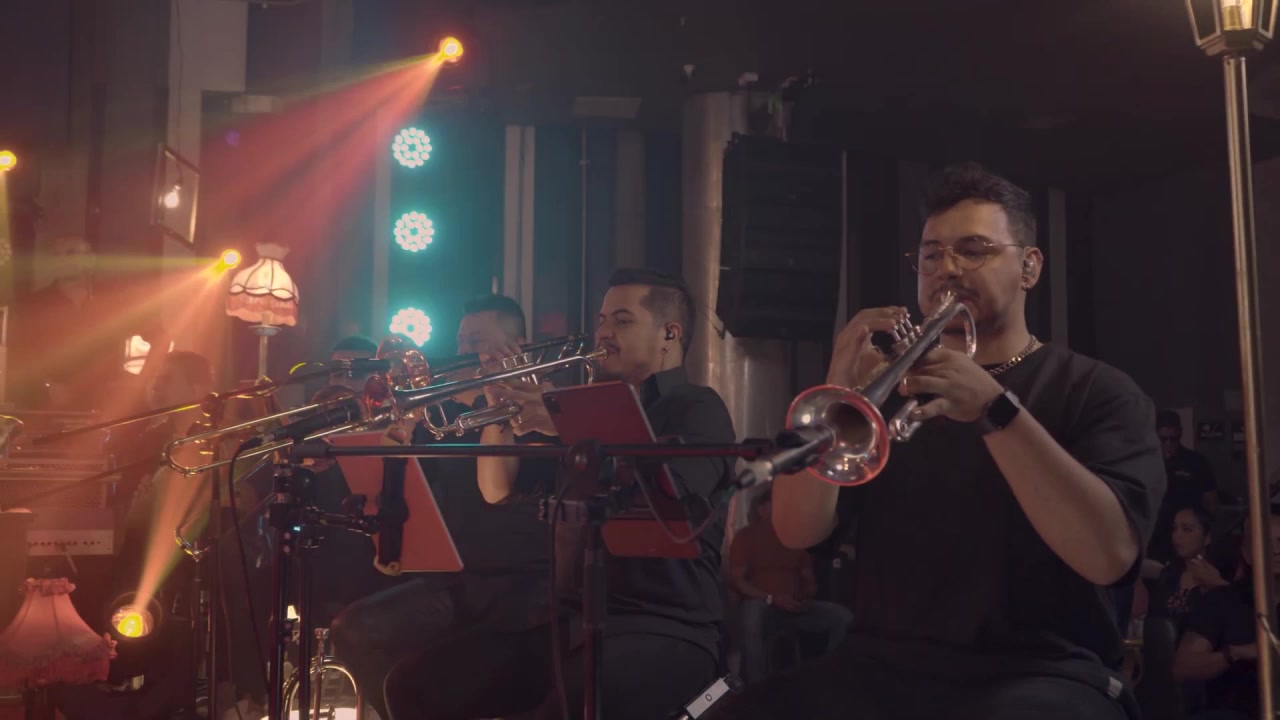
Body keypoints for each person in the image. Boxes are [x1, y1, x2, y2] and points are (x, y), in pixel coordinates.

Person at [705, 163, 1165, 720]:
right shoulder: (889, 395)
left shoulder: (1097, 391)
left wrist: (996, 410)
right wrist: (837, 388)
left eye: (973, 250)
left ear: (1030, 267)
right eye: (931, 255)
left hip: (1043, 671)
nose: (947, 268)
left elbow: (1109, 555)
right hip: (881, 664)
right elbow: (796, 530)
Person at [383, 268, 736, 720]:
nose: (603, 332)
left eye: (622, 321)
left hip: (663, 626)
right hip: (570, 622)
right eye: (602, 320)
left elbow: (671, 502)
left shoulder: (697, 407)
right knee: (413, 686)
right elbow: (497, 489)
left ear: (669, 334)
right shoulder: (585, 408)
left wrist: (570, 425)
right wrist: (497, 408)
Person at [329, 295, 553, 720]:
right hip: (457, 578)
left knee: (405, 674)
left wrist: (498, 398)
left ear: (518, 346)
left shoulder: (538, 411)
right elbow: (406, 495)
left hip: (517, 587)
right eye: (460, 340)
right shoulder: (442, 414)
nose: (461, 350)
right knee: (352, 631)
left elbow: (496, 489)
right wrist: (401, 436)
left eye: (476, 341)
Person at [728, 489, 852, 681]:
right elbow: (737, 580)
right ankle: (756, 683)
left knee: (843, 616)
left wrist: (806, 596)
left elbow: (807, 576)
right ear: (761, 509)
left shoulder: (794, 538)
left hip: (793, 607)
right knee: (750, 612)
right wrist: (771, 598)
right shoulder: (746, 536)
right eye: (776, 503)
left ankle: (827, 676)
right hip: (764, 606)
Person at [1172, 505, 1280, 720]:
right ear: (1247, 553)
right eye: (1266, 543)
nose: (1276, 550)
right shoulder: (1223, 600)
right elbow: (1183, 667)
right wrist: (1236, 653)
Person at [11, 235, 122, 409]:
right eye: (57, 255)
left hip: (103, 403)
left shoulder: (112, 301)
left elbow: (146, 337)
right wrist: (48, 385)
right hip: (47, 404)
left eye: (70, 253)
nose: (62, 260)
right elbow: (20, 353)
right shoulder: (34, 305)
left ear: (90, 259)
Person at [1149, 410, 1218, 563]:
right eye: (1163, 439)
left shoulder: (1195, 462)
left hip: (1187, 535)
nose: (1168, 444)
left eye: (1173, 439)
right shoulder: (1147, 462)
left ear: (1180, 434)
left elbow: (1210, 502)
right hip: (1155, 537)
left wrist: (1204, 532)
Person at [1149, 505, 1228, 631]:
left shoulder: (1221, 573)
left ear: (1207, 537)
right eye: (1174, 529)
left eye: (1186, 529)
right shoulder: (1169, 573)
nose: (1177, 535)